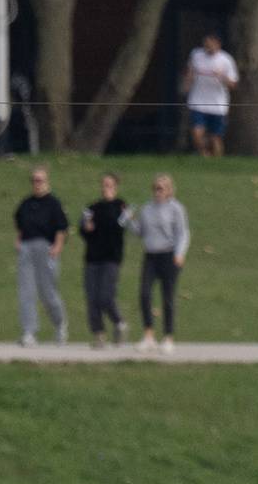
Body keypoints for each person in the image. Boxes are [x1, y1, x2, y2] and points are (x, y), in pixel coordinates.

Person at [128, 173, 189, 354]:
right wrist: (130, 220)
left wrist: (179, 253)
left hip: (168, 255)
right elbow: (140, 232)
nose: (158, 191)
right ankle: (148, 335)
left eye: (161, 188)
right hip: (151, 255)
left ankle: (168, 337)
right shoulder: (147, 209)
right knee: (145, 293)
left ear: (169, 190)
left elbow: (182, 233)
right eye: (155, 188)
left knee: (167, 297)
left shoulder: (176, 208)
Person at [14, 165, 69, 346]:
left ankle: (60, 324)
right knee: (26, 292)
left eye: (40, 180)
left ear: (46, 181)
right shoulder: (26, 203)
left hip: (46, 248)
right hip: (27, 248)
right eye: (34, 180)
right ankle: (29, 331)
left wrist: (57, 246)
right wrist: (19, 241)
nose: (36, 184)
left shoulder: (53, 203)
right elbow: (21, 224)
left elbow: (61, 227)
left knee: (48, 292)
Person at [77, 172, 129, 346]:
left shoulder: (121, 206)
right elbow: (83, 229)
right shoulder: (92, 208)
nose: (106, 187)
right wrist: (86, 227)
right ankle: (98, 334)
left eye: (109, 184)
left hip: (111, 258)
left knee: (105, 296)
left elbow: (121, 226)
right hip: (92, 257)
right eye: (104, 184)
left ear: (115, 186)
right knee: (92, 298)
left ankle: (119, 322)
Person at [182, 33, 238, 157]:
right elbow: (189, 73)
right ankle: (204, 155)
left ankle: (217, 161)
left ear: (217, 44)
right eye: (205, 44)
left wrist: (222, 76)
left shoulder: (226, 60)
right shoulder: (196, 55)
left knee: (215, 137)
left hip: (218, 104)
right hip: (198, 101)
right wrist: (187, 84)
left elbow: (233, 84)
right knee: (197, 132)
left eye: (210, 44)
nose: (207, 47)